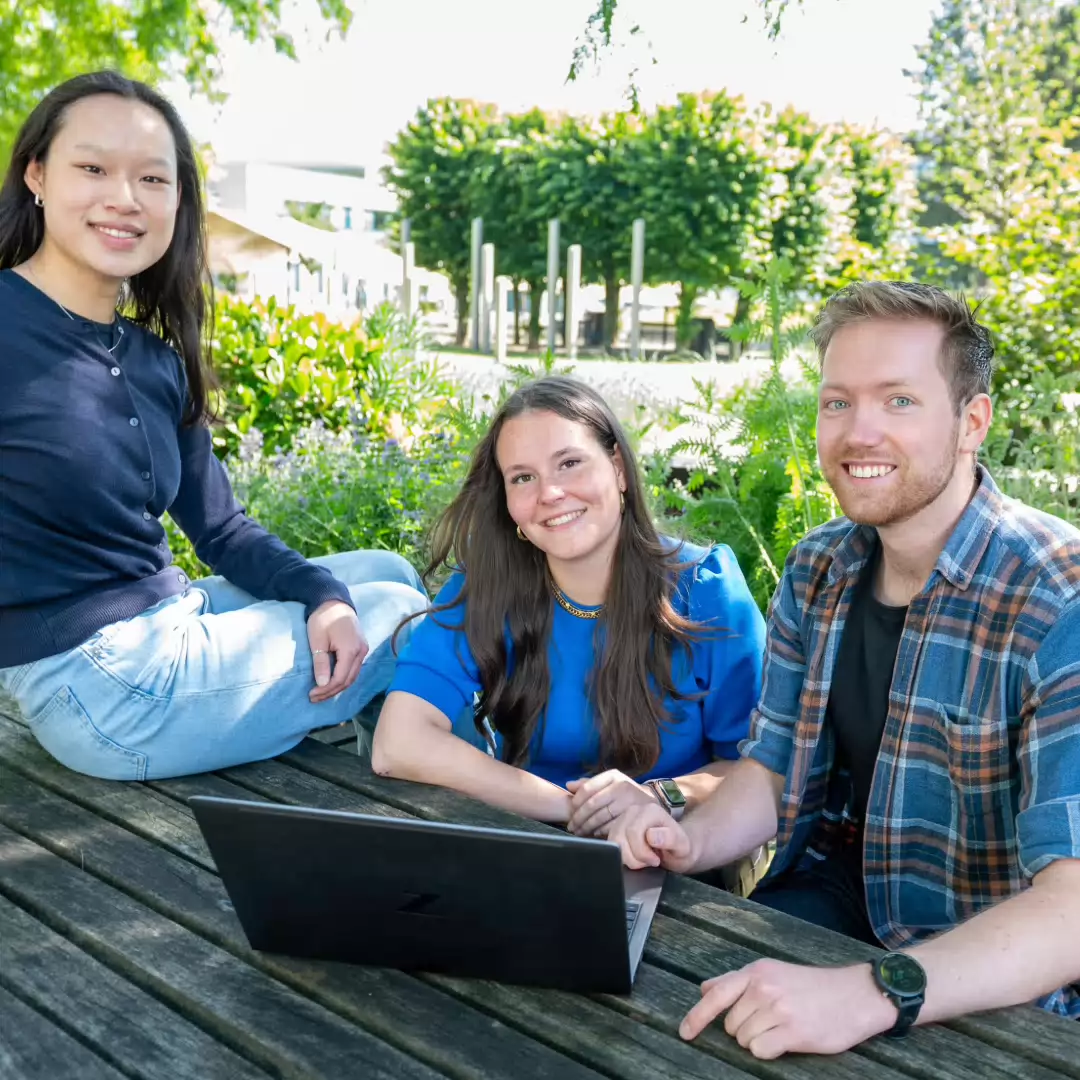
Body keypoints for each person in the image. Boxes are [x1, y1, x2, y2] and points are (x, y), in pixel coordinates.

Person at [617, 281, 1080, 1056]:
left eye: (898, 401)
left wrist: (871, 992)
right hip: (830, 898)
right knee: (645, 1019)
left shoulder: (1057, 597)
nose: (858, 432)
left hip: (984, 968)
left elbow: (1070, 911)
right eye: (838, 403)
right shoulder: (819, 566)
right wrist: (689, 844)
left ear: (973, 422)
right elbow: (771, 774)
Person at [0, 71, 428, 781]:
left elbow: (222, 531)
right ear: (37, 175)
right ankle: (500, 807)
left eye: (152, 178)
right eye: (93, 168)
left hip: (167, 623)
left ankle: (390, 757)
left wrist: (320, 596)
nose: (125, 198)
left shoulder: (151, 357)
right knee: (405, 615)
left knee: (381, 577)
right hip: (101, 687)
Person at [370, 375, 766, 844]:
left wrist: (659, 798)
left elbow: (757, 771)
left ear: (617, 467)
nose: (550, 494)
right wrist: (574, 809)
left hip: (677, 854)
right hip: (532, 843)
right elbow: (397, 743)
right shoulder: (489, 585)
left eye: (570, 463)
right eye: (523, 478)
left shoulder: (706, 589)